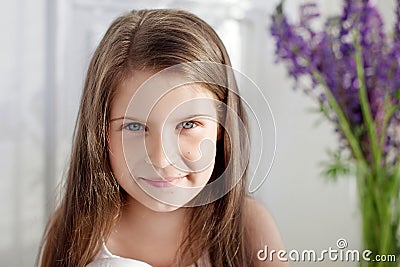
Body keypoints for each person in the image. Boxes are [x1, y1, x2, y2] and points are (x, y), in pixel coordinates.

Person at [37, 9, 288, 267]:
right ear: (101, 133)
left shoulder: (248, 227)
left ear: (221, 126)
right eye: (134, 127)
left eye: (188, 124)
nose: (161, 158)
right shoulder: (75, 228)